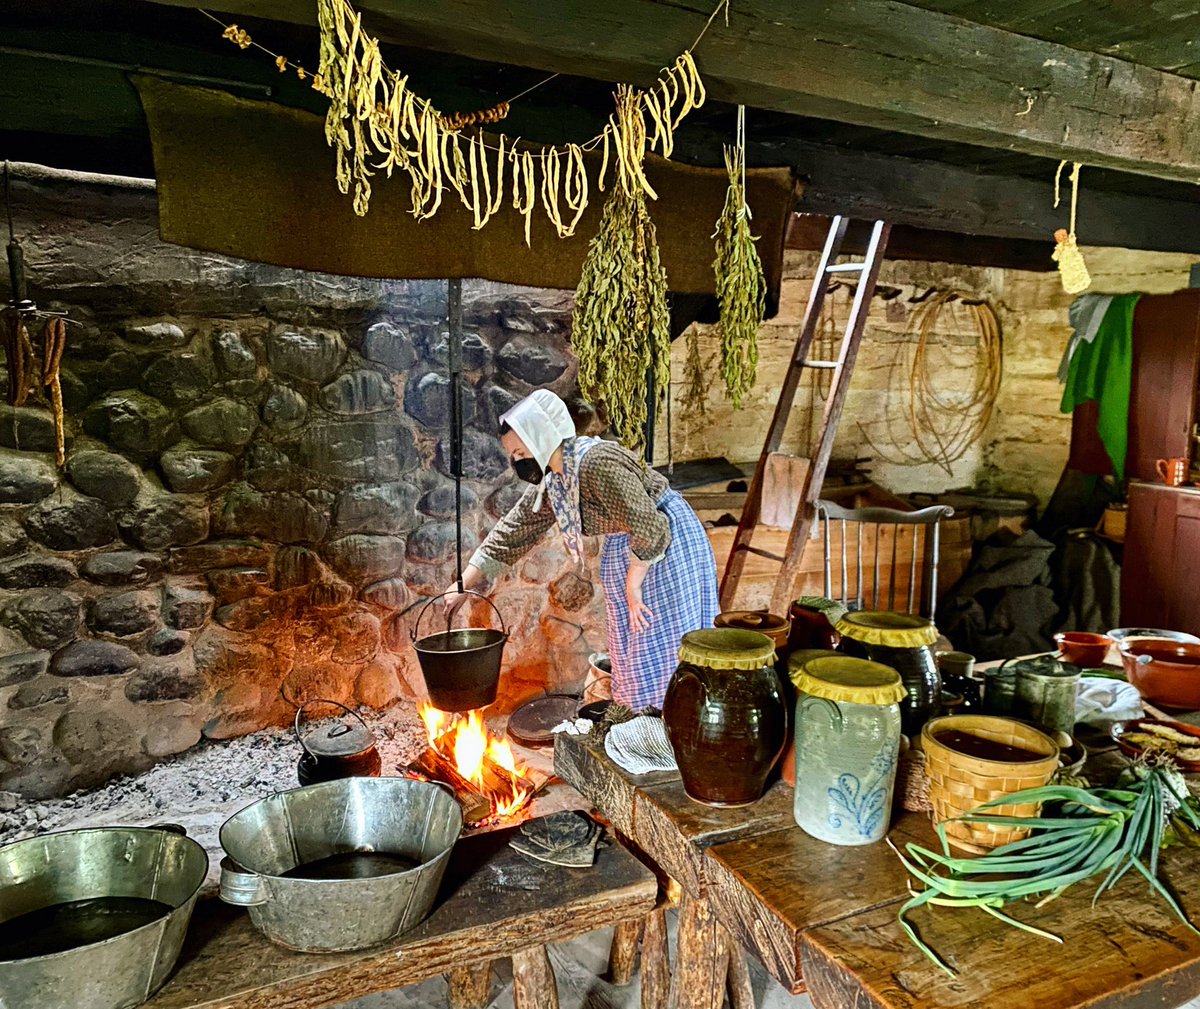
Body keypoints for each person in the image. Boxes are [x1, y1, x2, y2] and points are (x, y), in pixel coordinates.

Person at [445, 389, 718, 711]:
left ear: (543, 437)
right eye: (514, 456)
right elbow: (513, 531)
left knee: (665, 636)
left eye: (521, 452)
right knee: (632, 643)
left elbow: (650, 526)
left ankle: (679, 718)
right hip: (632, 547)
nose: (518, 462)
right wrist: (463, 584)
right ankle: (645, 717)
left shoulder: (595, 464)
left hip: (666, 547)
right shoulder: (558, 481)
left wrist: (633, 585)